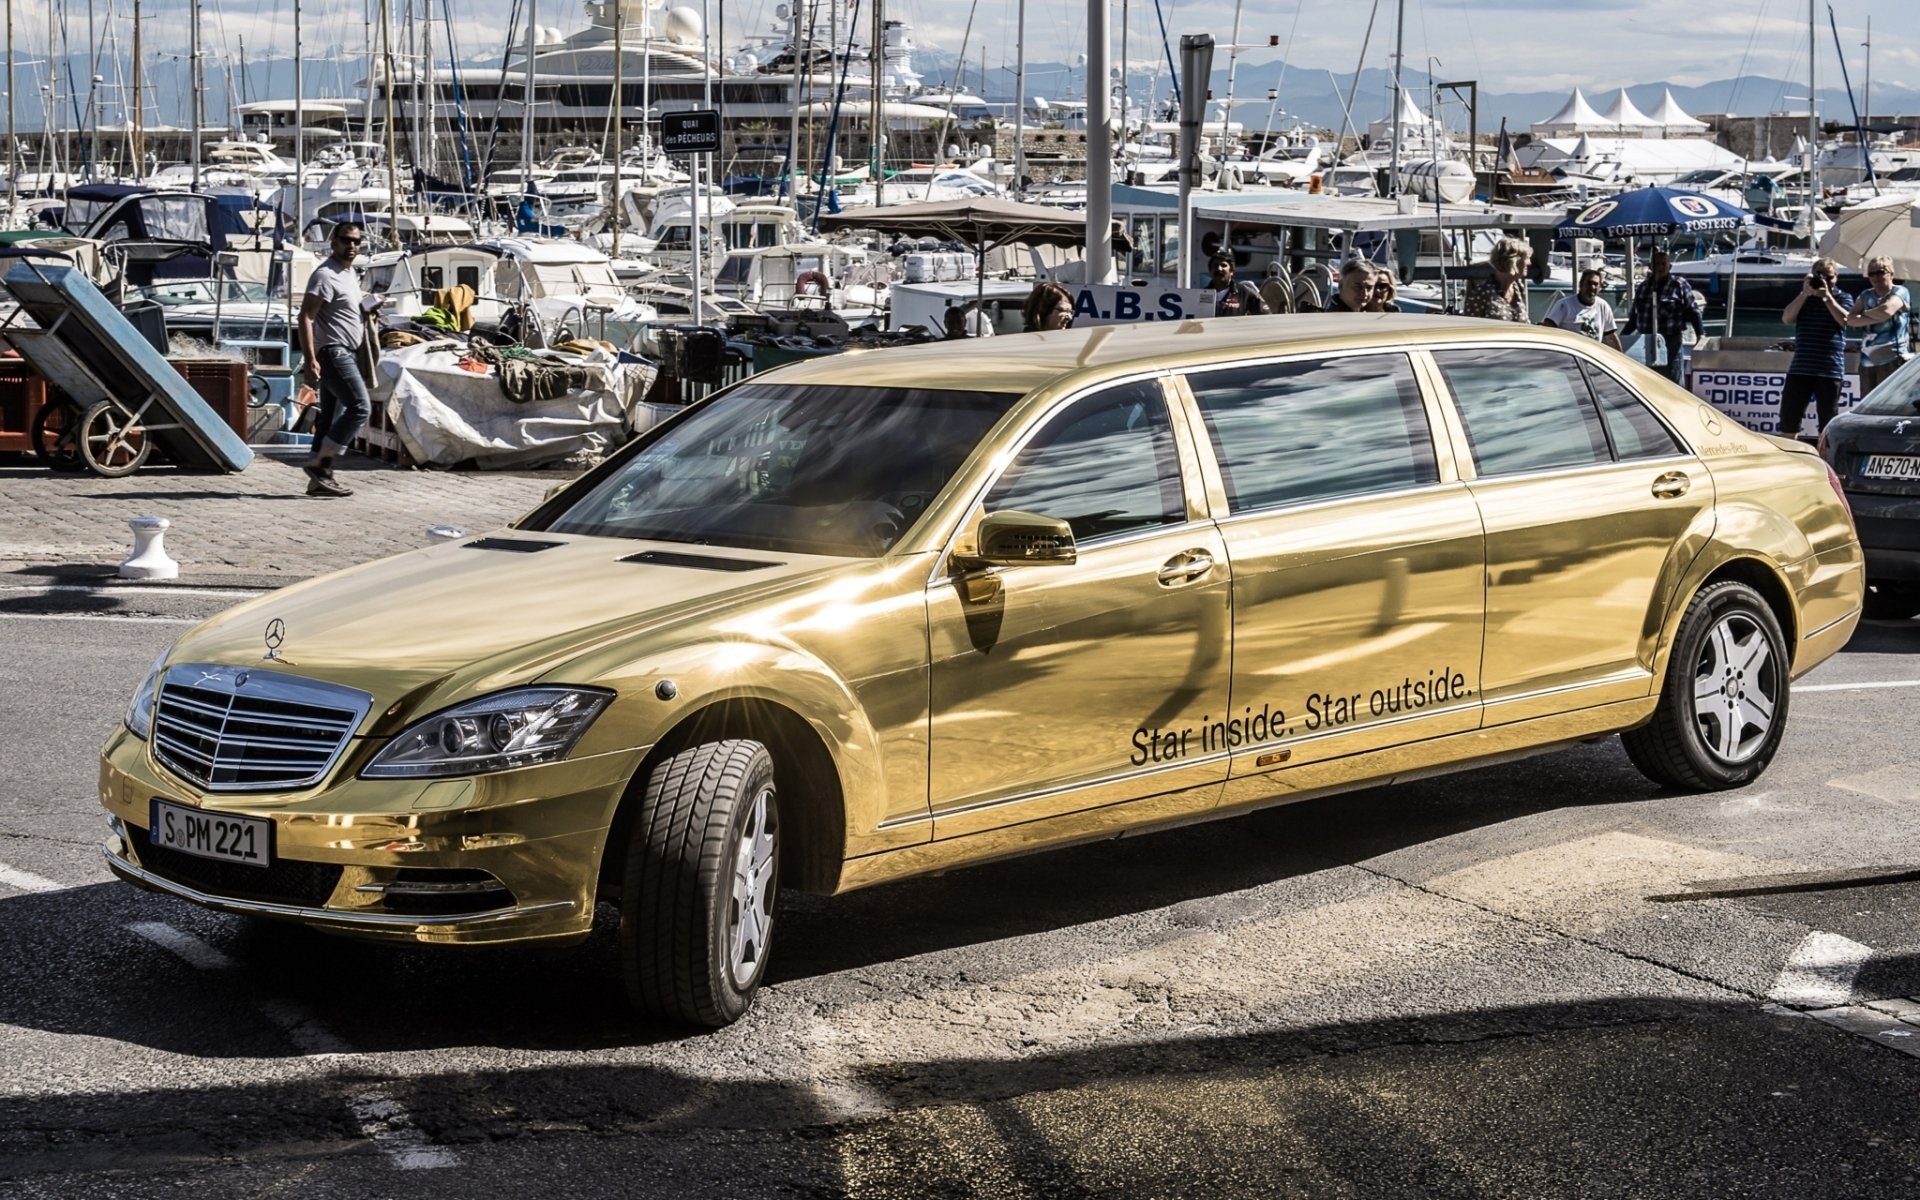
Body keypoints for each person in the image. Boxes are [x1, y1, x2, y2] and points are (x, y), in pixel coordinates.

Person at [298, 221, 373, 498]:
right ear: (333, 243)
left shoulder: (348, 274)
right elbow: (305, 317)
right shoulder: (325, 275)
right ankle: (319, 466)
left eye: (356, 241)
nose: (351, 246)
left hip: (345, 351)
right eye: (345, 240)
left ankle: (320, 480)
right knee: (361, 407)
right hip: (334, 351)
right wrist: (309, 359)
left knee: (330, 418)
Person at [1778, 256, 1854, 437]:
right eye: (1821, 277)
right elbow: (1787, 318)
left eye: (1829, 277)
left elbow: (1845, 320)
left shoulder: (1843, 297)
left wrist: (1827, 297)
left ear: (1836, 277)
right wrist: (1805, 292)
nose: (1825, 281)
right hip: (1801, 367)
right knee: (1790, 418)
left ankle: (1825, 460)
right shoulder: (1805, 298)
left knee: (1827, 422)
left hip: (1829, 369)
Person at [1620, 250, 1704, 383]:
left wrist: (1700, 335)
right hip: (1644, 342)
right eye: (1656, 264)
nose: (1659, 267)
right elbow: (1634, 318)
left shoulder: (1679, 284)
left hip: (1670, 341)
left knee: (1672, 381)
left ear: (1669, 266)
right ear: (1650, 266)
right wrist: (1622, 337)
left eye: (1663, 264)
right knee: (1648, 381)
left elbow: (1693, 311)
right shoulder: (1643, 287)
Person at [1843, 255, 1910, 396]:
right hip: (1867, 361)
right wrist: (1875, 315)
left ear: (1891, 274)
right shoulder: (1865, 295)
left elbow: (1886, 311)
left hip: (1893, 358)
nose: (1876, 277)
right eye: (1872, 274)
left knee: (1890, 405)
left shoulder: (1900, 292)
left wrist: (1863, 315)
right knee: (1867, 405)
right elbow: (1850, 320)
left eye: (1880, 272)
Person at [1542, 268, 1624, 350]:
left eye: (1595, 284)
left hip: (1592, 357)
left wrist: (1621, 358)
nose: (1592, 287)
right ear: (1580, 285)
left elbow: (1610, 337)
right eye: (1589, 283)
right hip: (1571, 356)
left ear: (1600, 288)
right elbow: (1548, 328)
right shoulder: (1564, 305)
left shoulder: (1603, 306)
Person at [1463, 238, 1533, 324]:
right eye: (1526, 258)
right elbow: (1469, 326)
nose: (1529, 263)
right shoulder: (1482, 292)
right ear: (1513, 261)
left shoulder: (1518, 287)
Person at [1205, 251, 1269, 316]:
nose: (1219, 269)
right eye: (1215, 266)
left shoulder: (1244, 293)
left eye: (1223, 265)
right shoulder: (1200, 295)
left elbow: (1266, 315)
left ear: (1231, 271)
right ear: (1210, 271)